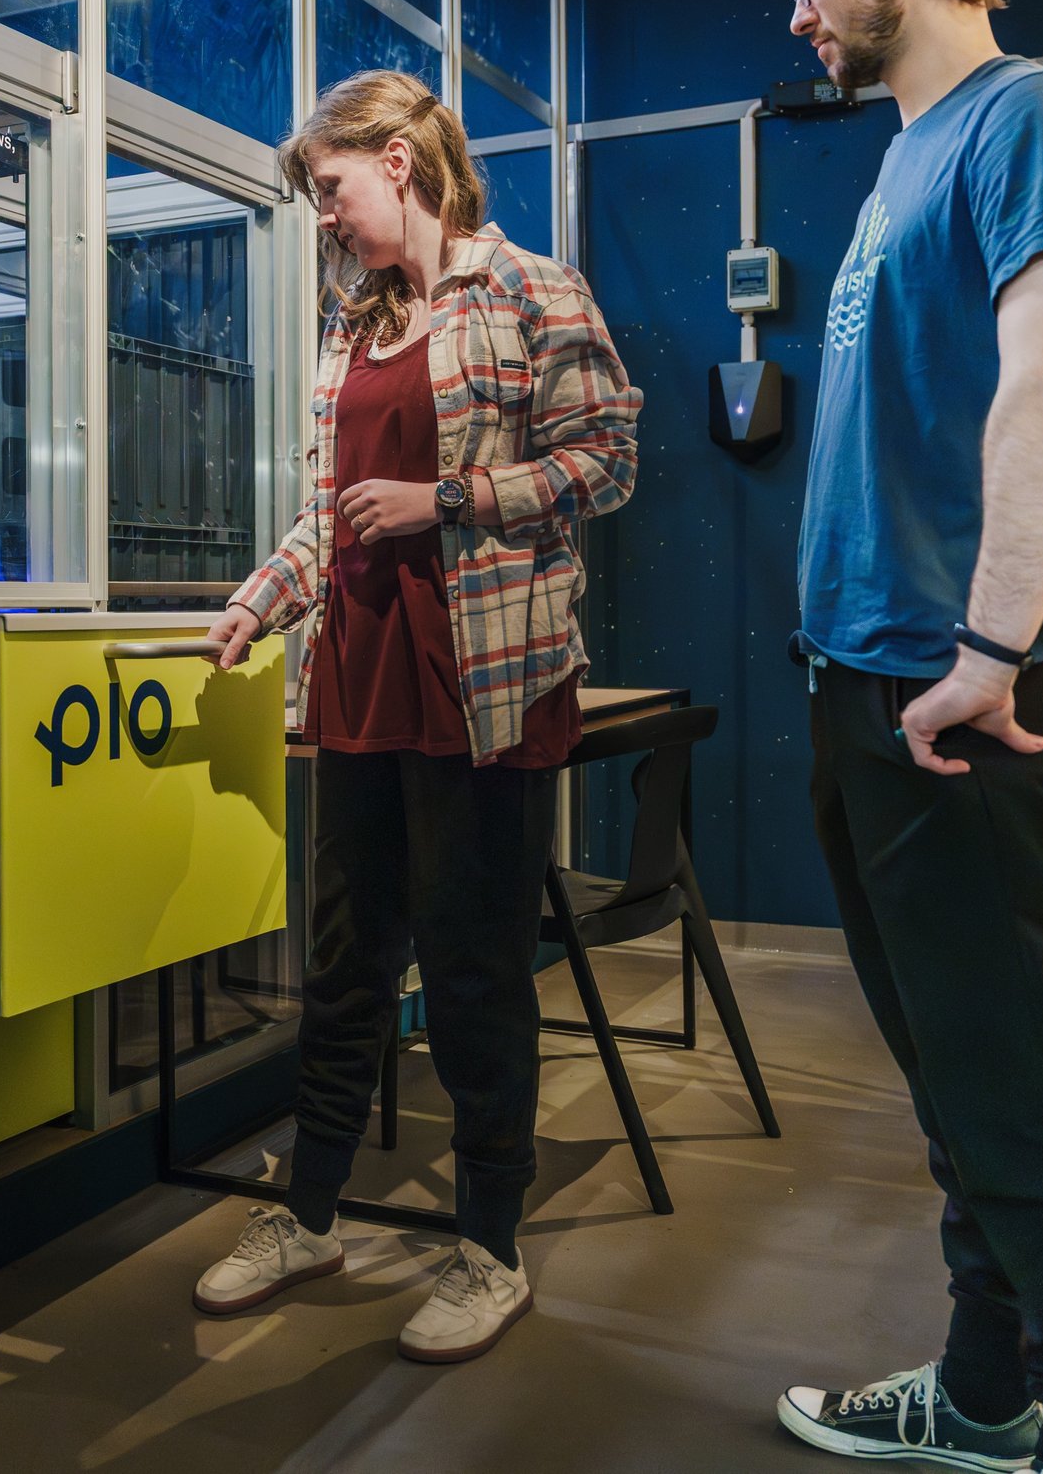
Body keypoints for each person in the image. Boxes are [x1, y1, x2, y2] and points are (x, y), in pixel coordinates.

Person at [769, 0, 1043, 1474]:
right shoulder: (896, 161)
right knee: (960, 1099)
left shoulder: (1033, 118)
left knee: (1032, 1108)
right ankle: (986, 1394)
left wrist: (991, 645)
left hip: (970, 700)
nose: (798, 9)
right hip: (875, 689)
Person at [197, 69, 641, 1363]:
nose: (323, 218)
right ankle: (313, 1211)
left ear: (398, 161)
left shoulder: (529, 292)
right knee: (342, 969)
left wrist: (444, 502)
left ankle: (489, 1245)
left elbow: (604, 459)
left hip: (486, 695)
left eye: (329, 191)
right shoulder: (351, 329)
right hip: (361, 693)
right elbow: (331, 511)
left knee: (472, 973)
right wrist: (262, 603)